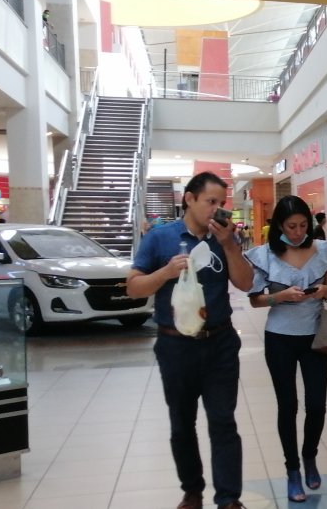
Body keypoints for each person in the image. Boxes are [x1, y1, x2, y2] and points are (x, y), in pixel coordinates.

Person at [127, 171, 253, 509]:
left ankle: (228, 499)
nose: (217, 210)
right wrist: (165, 272)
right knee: (182, 423)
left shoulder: (224, 238)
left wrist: (228, 244)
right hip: (175, 345)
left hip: (220, 343)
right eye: (210, 201)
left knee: (223, 422)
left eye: (221, 203)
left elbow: (245, 283)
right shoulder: (160, 238)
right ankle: (192, 491)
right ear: (190, 198)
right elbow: (133, 287)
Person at [244, 196, 327, 503]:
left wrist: (325, 290)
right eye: (291, 226)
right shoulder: (265, 256)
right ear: (279, 226)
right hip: (280, 338)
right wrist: (282, 296)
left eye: (302, 225)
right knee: (288, 406)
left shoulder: (323, 251)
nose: (298, 232)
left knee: (317, 405)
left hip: (315, 338)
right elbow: (256, 300)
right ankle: (293, 471)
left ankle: (309, 455)